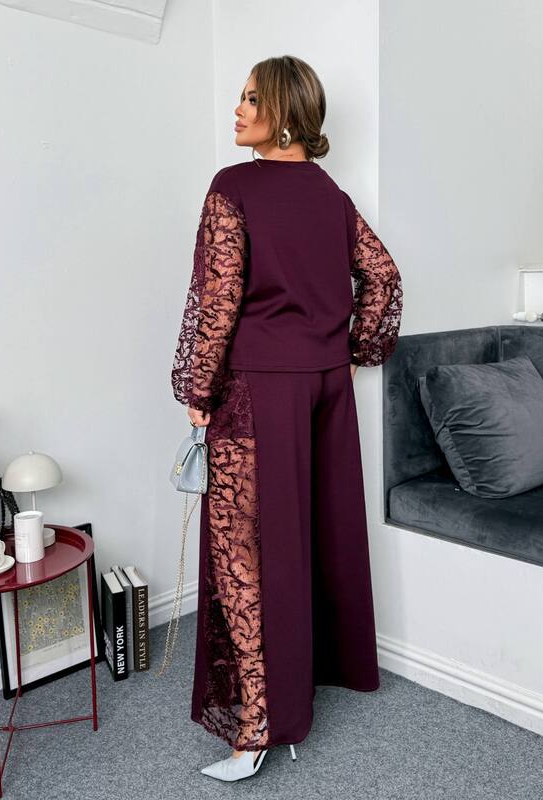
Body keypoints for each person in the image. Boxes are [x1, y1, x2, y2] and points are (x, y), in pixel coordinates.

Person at [170, 55, 403, 782]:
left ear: (284, 113)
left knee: (241, 553)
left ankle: (258, 728)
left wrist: (196, 387)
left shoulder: (232, 186)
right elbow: (383, 275)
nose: (237, 109)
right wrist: (355, 351)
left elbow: (217, 300)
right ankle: (295, 694)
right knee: (306, 536)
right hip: (324, 386)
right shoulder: (331, 195)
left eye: (251, 99)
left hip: (256, 388)